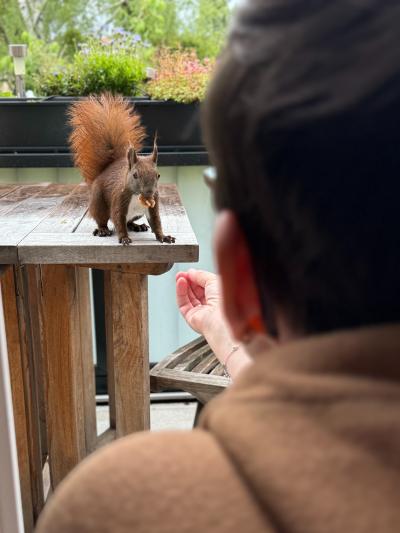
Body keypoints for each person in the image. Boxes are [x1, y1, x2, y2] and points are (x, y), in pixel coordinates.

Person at [36, 1, 400, 532]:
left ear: (238, 270)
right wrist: (231, 345)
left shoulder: (114, 506)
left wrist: (241, 331)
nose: (150, 189)